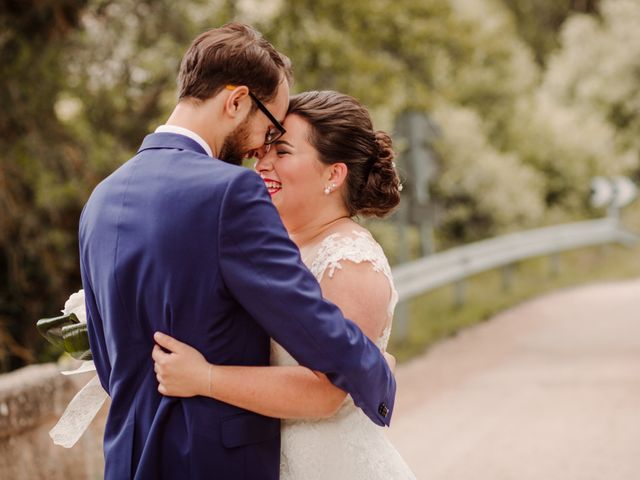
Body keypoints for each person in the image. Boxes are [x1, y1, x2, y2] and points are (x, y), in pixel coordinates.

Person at [79, 24, 395, 480]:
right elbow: (309, 321)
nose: (256, 153)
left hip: (130, 458)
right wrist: (378, 372)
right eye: (267, 127)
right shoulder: (229, 193)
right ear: (235, 101)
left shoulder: (102, 198)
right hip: (217, 462)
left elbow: (109, 364)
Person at [152, 91, 417, 479]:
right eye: (263, 151)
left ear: (333, 174)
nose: (262, 162)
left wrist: (204, 377)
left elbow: (327, 392)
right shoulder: (271, 245)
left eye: (283, 152)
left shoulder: (351, 260)